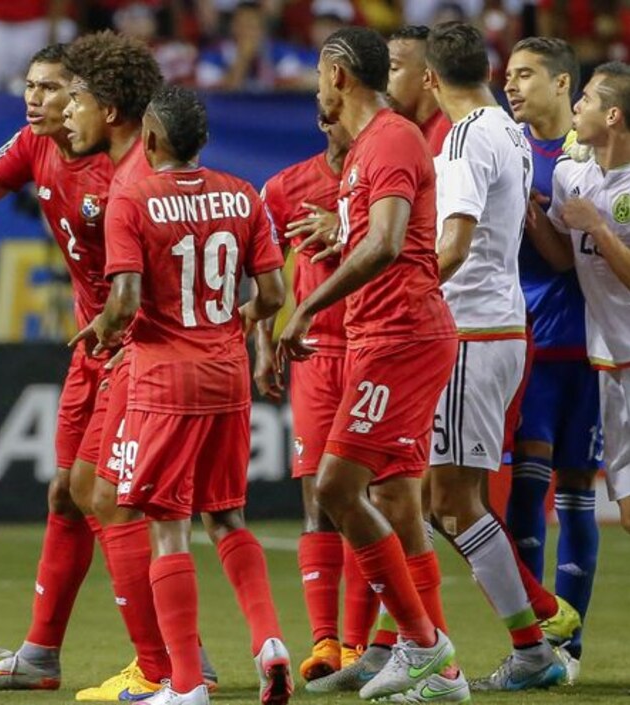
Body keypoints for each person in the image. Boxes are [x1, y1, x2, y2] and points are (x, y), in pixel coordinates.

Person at [83, 83, 291, 705]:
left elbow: (122, 303)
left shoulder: (132, 197)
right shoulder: (242, 193)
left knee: (168, 529)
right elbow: (275, 296)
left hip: (164, 380)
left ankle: (184, 685)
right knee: (227, 514)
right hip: (228, 376)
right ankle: (270, 642)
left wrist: (101, 329)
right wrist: (230, 319)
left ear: (148, 139)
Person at [277, 26, 468, 703]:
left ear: (337, 73)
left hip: (402, 336)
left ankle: (425, 645)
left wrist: (305, 308)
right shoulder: (364, 149)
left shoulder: (388, 140)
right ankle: (440, 671)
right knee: (393, 499)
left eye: (317, 78)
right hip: (381, 335)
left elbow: (386, 244)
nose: (315, 93)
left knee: (334, 487)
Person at [0, 43, 127, 694]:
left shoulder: (127, 164)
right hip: (90, 349)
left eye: (51, 88)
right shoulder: (33, 145)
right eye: (30, 85)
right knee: (67, 493)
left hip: (139, 351)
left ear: (88, 102)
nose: (35, 98)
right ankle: (41, 653)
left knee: (110, 498)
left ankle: (172, 655)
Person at [60, 31, 221, 701]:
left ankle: (164, 667)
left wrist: (105, 327)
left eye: (76, 100)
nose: (68, 113)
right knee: (90, 488)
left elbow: (133, 295)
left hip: (152, 363)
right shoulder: (129, 172)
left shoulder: (137, 183)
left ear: (114, 112)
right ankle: (169, 660)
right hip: (152, 359)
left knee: (115, 496)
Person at [424, 22, 566, 692]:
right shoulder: (508, 129)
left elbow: (454, 243)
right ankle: (532, 625)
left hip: (470, 332)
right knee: (444, 496)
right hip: (501, 329)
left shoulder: (460, 139)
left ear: (429, 79)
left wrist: (396, 287)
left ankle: (531, 644)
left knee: (449, 501)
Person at [254, 117, 379, 682]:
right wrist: (262, 345)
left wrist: (348, 225)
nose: (342, 122)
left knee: (365, 497)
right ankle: (325, 643)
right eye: (331, 112)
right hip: (314, 354)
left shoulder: (388, 179)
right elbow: (264, 276)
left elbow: (404, 243)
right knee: (317, 497)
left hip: (375, 346)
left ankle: (357, 646)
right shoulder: (284, 188)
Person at [504, 36, 594, 674]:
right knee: (526, 488)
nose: (511, 86)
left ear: (562, 84)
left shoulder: (593, 153)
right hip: (526, 339)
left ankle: (570, 644)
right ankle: (532, 646)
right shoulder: (503, 145)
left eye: (525, 75)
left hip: (590, 343)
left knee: (578, 489)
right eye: (507, 74)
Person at [527, 61, 630, 537]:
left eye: (586, 99)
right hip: (609, 362)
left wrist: (597, 227)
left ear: (612, 115)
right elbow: (564, 260)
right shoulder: (572, 175)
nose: (576, 107)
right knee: (628, 518)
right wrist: (533, 216)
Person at [386, 25, 452, 155]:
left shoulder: (450, 137)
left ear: (428, 77)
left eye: (393, 68)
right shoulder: (393, 130)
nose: (382, 78)